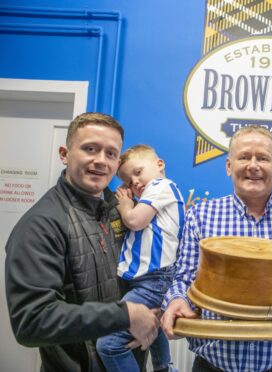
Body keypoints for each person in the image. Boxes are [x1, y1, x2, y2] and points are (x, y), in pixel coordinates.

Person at [160, 125, 272, 372]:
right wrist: (176, 299)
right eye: (244, 157)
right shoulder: (201, 215)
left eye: (263, 158)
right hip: (211, 365)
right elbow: (185, 276)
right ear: (229, 166)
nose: (253, 165)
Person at [5, 113, 160, 372]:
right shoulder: (41, 224)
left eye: (111, 153)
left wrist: (156, 313)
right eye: (90, 149)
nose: (101, 160)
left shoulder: (123, 212)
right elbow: (31, 321)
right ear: (65, 154)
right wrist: (125, 315)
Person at [96, 144, 184, 372]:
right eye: (127, 181)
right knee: (149, 324)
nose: (134, 183)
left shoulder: (161, 186)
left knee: (108, 344)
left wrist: (125, 205)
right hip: (150, 279)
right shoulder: (154, 194)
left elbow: (135, 221)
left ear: (159, 164)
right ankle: (164, 367)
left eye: (137, 172)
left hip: (154, 279)